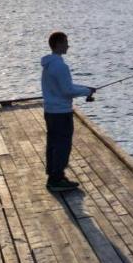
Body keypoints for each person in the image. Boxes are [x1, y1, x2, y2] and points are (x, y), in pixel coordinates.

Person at [40, 31, 95, 192]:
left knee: (53, 144)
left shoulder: (49, 64)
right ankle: (57, 179)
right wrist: (87, 91)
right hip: (61, 113)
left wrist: (86, 89)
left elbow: (66, 87)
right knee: (63, 145)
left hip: (50, 110)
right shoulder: (60, 66)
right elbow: (67, 90)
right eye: (65, 42)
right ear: (57, 44)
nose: (68, 45)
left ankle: (54, 175)